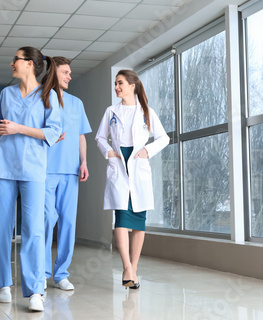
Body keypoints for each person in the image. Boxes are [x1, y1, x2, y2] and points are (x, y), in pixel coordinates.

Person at [0, 46, 62, 312]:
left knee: (33, 229)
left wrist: (18, 128)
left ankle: (35, 290)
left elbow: (53, 132)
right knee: (2, 227)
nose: (12, 63)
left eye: (16, 60)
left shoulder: (48, 95)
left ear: (29, 64)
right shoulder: (5, 93)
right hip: (3, 168)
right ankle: (3, 284)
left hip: (33, 170)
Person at [95, 69, 169, 290]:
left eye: (120, 83)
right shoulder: (111, 111)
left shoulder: (147, 111)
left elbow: (163, 137)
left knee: (138, 220)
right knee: (121, 217)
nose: (116, 87)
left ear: (132, 86)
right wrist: (108, 152)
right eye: (115, 83)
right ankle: (127, 267)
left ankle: (133, 270)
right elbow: (99, 137)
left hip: (138, 165)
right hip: (119, 163)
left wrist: (148, 150)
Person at [44, 57, 92, 291]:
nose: (69, 76)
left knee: (68, 223)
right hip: (46, 170)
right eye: (65, 72)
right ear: (54, 73)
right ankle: (42, 273)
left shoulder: (77, 103)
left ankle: (61, 273)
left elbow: (81, 135)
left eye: (70, 72)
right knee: (44, 222)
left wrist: (83, 162)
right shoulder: (42, 99)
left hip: (71, 171)